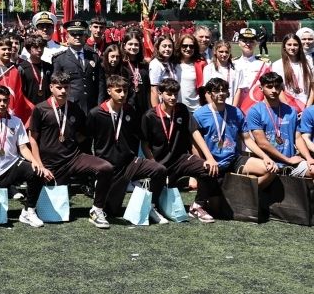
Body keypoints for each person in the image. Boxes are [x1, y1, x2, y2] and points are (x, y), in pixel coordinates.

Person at [28, 71, 114, 228]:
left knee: (106, 168)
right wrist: (39, 164)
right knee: (45, 196)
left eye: (66, 87)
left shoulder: (75, 108)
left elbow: (82, 135)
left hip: (74, 158)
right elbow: (32, 138)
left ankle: (97, 210)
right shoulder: (40, 109)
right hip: (50, 163)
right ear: (51, 87)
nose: (63, 91)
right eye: (59, 87)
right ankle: (29, 210)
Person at [85, 75, 169, 223]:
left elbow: (138, 138)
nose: (123, 94)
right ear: (109, 91)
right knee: (111, 211)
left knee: (159, 170)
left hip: (129, 162)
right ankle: (98, 201)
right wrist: (94, 168)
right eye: (118, 90)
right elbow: (87, 140)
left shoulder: (130, 111)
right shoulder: (95, 113)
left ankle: (150, 206)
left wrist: (148, 159)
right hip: (108, 166)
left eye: (125, 90)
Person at [139, 78, 219, 223]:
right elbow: (144, 144)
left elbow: (195, 132)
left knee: (208, 169)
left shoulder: (182, 110)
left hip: (181, 159)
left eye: (175, 94)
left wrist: (209, 158)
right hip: (160, 163)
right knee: (159, 193)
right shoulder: (149, 116)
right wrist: (152, 163)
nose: (173, 97)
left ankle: (197, 206)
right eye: (169, 94)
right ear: (160, 94)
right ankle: (152, 206)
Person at [193, 77, 276, 209]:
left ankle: (242, 195)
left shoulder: (236, 112)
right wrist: (202, 164)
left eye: (224, 90)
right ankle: (222, 195)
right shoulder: (199, 114)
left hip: (233, 159)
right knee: (216, 209)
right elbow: (195, 144)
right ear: (209, 93)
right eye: (216, 90)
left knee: (270, 170)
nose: (221, 93)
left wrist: (265, 157)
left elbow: (247, 139)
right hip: (213, 164)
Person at [0, 86, 49, 227]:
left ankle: (28, 211)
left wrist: (35, 161)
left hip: (12, 166)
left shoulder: (16, 121)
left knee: (36, 172)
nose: (2, 104)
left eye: (5, 100)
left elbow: (23, 147)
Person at [244, 71, 314, 178]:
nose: (274, 90)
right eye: (269, 87)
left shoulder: (291, 111)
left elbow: (298, 138)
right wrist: (287, 160)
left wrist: (308, 158)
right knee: (266, 174)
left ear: (281, 88)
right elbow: (262, 143)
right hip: (267, 161)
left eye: (277, 87)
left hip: (292, 162)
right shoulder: (255, 111)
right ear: (261, 88)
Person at [51, 20, 99, 109]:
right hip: (70, 105)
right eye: (73, 34)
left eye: (80, 34)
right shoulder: (60, 59)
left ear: (85, 37)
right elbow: (56, 84)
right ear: (67, 37)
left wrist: (100, 105)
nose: (77, 37)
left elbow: (100, 82)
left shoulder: (94, 56)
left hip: (92, 105)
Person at [272, 33, 314, 110]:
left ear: (299, 46)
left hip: (306, 106)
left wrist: (307, 108)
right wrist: (289, 109)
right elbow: (278, 89)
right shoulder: (277, 65)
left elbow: (312, 88)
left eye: (295, 45)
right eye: (289, 44)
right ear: (284, 47)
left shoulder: (308, 63)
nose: (292, 47)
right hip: (287, 108)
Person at [232, 28, 265, 109]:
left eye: (251, 41)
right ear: (239, 43)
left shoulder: (264, 64)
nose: (248, 44)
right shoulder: (232, 63)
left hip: (256, 106)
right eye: (244, 41)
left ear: (256, 43)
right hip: (236, 105)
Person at [173, 33, 204, 112]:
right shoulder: (172, 63)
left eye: (191, 46)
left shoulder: (200, 64)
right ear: (179, 46)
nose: (188, 48)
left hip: (196, 109)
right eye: (184, 46)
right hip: (176, 108)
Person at [18, 36, 52, 106]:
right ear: (28, 49)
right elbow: (20, 91)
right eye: (36, 47)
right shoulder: (22, 68)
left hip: (47, 106)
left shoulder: (48, 66)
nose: (39, 50)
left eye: (42, 47)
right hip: (29, 106)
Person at [148, 36, 178, 108]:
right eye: (164, 46)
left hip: (171, 103)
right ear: (158, 48)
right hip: (162, 105)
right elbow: (154, 90)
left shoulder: (170, 62)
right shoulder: (156, 64)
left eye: (170, 46)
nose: (167, 49)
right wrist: (156, 110)